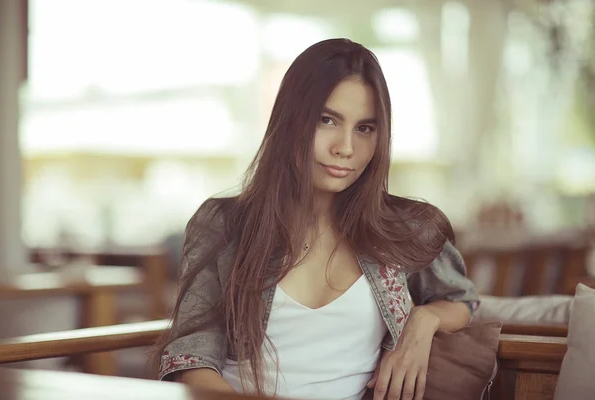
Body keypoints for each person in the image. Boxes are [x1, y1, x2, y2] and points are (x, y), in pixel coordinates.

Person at [154, 38, 479, 400]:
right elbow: (193, 362)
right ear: (291, 121)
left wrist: (424, 320)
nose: (345, 147)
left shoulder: (408, 228)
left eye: (364, 128)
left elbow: (461, 301)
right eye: (327, 120)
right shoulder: (224, 224)